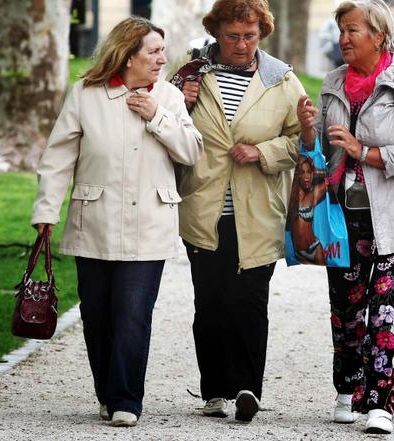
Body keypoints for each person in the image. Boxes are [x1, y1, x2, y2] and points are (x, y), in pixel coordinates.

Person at [30, 16, 203, 427]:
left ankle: (126, 399)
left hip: (149, 223)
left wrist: (157, 115)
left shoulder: (169, 97)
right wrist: (45, 211)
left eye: (162, 50)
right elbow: (58, 158)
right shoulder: (86, 94)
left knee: (133, 312)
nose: (163, 59)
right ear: (127, 56)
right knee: (97, 313)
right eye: (154, 52)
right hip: (96, 222)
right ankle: (107, 392)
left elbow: (192, 151)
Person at [296, 0, 394, 434]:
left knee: (386, 307)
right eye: (341, 30)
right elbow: (321, 155)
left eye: (353, 30)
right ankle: (348, 388)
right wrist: (310, 130)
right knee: (346, 307)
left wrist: (364, 152)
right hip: (345, 215)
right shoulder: (332, 84)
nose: (344, 38)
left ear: (379, 36)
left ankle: (381, 404)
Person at [176, 0, 305, 423]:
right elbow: (164, 125)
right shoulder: (190, 74)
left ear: (261, 34)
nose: (242, 44)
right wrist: (180, 100)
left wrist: (262, 150)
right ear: (216, 32)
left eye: (250, 36)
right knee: (210, 302)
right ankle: (214, 389)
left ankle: (248, 387)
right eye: (233, 36)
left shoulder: (282, 80)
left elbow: (299, 140)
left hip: (259, 210)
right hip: (205, 207)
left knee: (250, 302)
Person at [286, 155, 328, 265]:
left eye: (309, 172)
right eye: (302, 172)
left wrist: (315, 170)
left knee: (322, 279)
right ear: (296, 175)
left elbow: (331, 177)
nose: (306, 177)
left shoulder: (313, 195)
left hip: (315, 247)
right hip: (297, 252)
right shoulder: (289, 197)